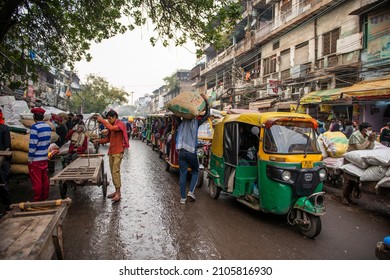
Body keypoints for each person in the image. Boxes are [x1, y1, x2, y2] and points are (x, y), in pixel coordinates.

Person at [175, 93, 210, 204]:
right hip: (191, 152)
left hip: (181, 152)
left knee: (183, 173)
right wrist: (207, 103)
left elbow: (175, 113)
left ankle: (183, 198)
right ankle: (191, 191)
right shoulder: (197, 122)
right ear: (194, 115)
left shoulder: (180, 122)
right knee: (196, 170)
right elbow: (207, 115)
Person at [94, 110, 129, 202]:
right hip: (112, 151)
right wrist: (98, 140)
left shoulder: (120, 124)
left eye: (109, 118)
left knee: (115, 172)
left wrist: (102, 120)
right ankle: (116, 191)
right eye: (107, 119)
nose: (108, 120)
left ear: (114, 117)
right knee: (113, 172)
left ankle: (118, 193)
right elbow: (108, 139)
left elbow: (112, 128)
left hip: (118, 151)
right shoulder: (112, 126)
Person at [342, 122, 376, 205]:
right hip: (350, 159)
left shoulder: (368, 137)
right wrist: (369, 140)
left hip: (359, 160)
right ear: (364, 130)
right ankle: (345, 197)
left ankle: (350, 197)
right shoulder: (355, 135)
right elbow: (359, 148)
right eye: (369, 130)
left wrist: (371, 140)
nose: (371, 131)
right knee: (348, 180)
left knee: (355, 181)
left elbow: (371, 148)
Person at [28, 107, 52, 202]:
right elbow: (49, 142)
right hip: (44, 157)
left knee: (36, 181)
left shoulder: (35, 127)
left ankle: (37, 200)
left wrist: (30, 158)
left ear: (34, 117)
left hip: (35, 159)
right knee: (44, 179)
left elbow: (32, 144)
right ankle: (44, 198)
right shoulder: (48, 127)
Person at [0, 110, 11, 213]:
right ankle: (7, 206)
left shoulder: (4, 128)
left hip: (2, 157)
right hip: (3, 159)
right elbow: (8, 146)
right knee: (4, 182)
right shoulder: (5, 128)